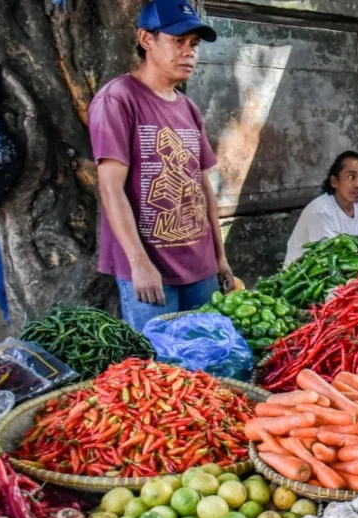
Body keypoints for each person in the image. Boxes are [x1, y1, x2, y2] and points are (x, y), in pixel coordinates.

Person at [89, 0, 233, 331]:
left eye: (194, 44)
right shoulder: (118, 100)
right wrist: (138, 262)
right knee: (160, 371)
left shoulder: (189, 109)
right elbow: (110, 187)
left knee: (207, 365)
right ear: (146, 39)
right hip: (151, 272)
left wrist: (219, 257)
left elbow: (202, 187)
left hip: (201, 269)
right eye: (177, 41)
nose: (189, 52)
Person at [284, 152, 358, 264]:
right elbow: (328, 262)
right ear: (334, 181)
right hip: (309, 274)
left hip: (344, 268)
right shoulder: (320, 213)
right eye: (351, 177)